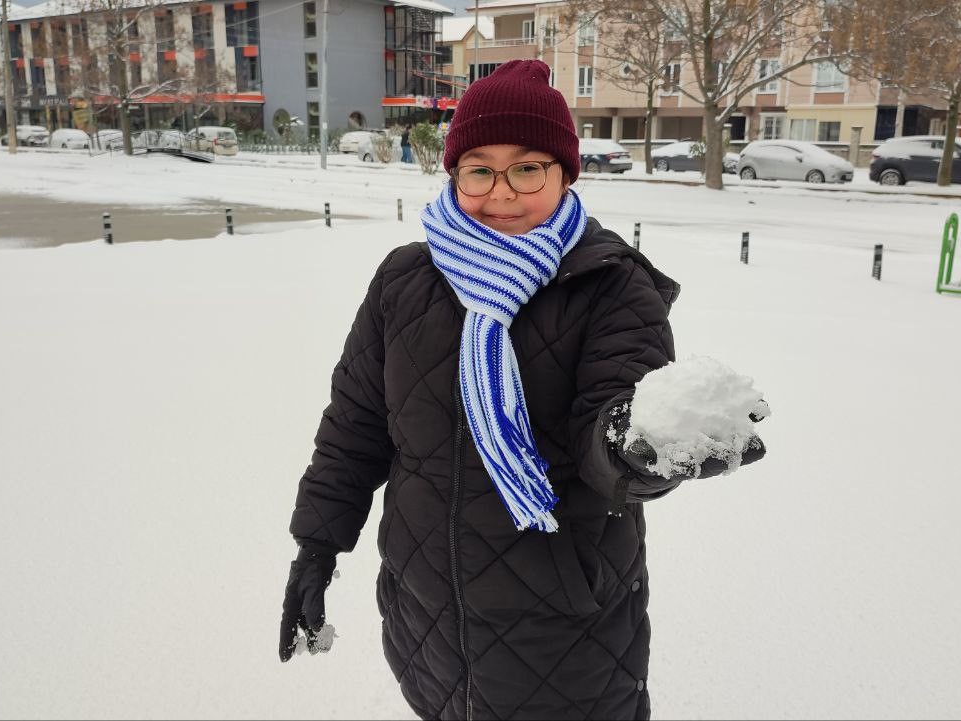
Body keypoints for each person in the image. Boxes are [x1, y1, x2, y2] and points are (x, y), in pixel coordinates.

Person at [279, 59, 765, 720]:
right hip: (427, 615)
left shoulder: (612, 288)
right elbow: (358, 424)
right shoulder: (406, 281)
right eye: (479, 168)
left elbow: (608, 425)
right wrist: (318, 544)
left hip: (563, 628)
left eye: (527, 167)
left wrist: (635, 447)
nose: (501, 192)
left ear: (566, 173)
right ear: (454, 174)